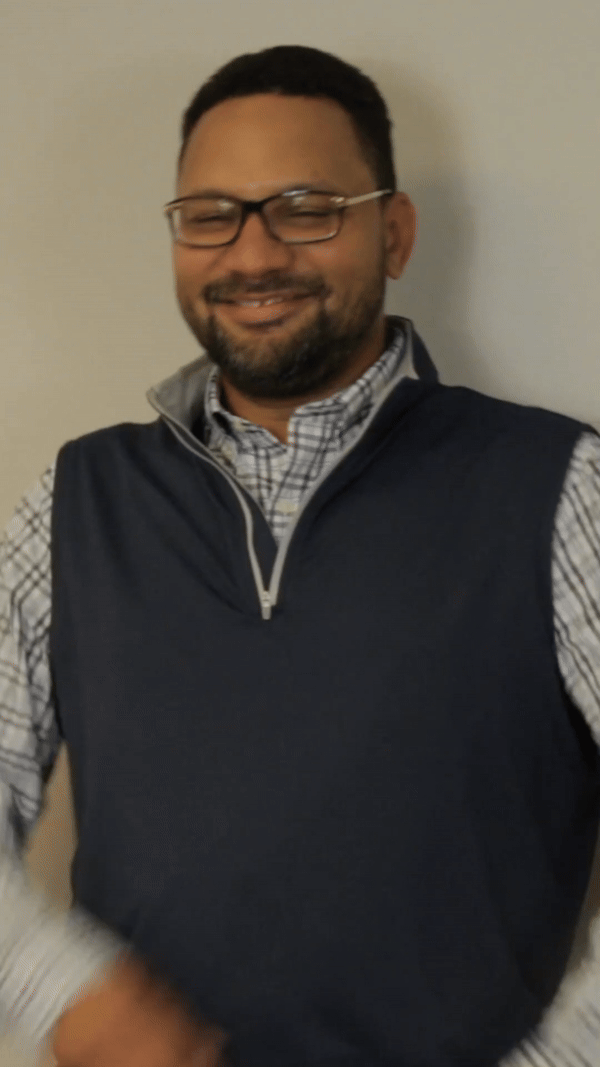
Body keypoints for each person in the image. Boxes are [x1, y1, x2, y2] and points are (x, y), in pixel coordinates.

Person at [1, 43, 600, 1067]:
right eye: (210, 215)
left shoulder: (560, 488)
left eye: (306, 206)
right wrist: (65, 991)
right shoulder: (74, 501)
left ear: (393, 231)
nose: (252, 252)